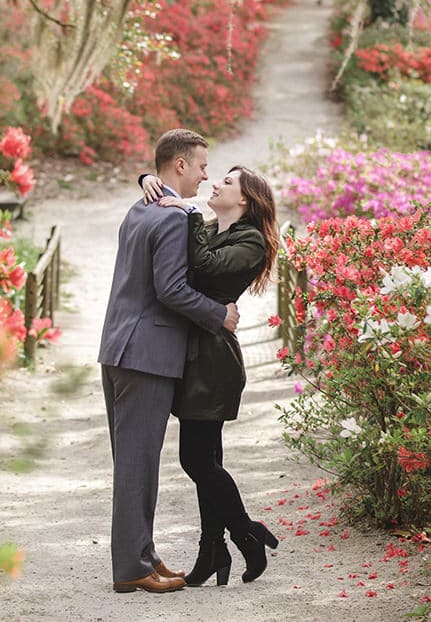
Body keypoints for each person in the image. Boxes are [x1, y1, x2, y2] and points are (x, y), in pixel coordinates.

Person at [99, 129, 240, 595]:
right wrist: (220, 315)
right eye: (201, 166)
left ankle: (143, 554)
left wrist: (146, 178)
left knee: (133, 463)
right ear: (180, 165)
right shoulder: (175, 218)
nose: (205, 175)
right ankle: (131, 568)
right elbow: (172, 289)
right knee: (137, 466)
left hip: (119, 349)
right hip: (147, 356)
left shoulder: (140, 207)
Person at [141, 164, 282, 586]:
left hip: (214, 362)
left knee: (196, 459)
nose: (215, 183)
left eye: (227, 181)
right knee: (208, 460)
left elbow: (202, 265)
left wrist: (186, 211)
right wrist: (147, 179)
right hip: (196, 354)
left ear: (245, 199)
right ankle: (212, 550)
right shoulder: (210, 228)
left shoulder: (251, 241)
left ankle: (246, 533)